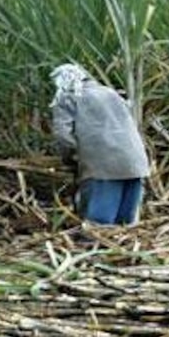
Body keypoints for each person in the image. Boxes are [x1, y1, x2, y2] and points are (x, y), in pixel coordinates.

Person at [51, 63, 151, 226]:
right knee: (127, 224)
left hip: (102, 166)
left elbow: (63, 135)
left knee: (99, 225)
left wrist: (70, 159)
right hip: (135, 161)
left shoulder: (67, 97)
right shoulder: (110, 92)